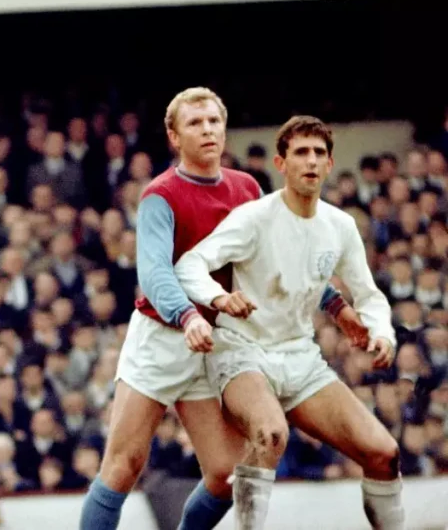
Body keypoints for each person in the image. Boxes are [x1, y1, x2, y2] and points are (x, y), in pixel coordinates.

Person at [78, 88, 367, 530]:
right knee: (123, 465)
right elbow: (155, 274)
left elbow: (281, 257)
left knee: (223, 474)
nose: (208, 129)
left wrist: (336, 305)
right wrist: (188, 315)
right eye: (195, 123)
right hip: (162, 338)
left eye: (213, 121)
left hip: (220, 343)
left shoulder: (246, 187)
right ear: (174, 137)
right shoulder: (161, 194)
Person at [173, 115, 404, 529]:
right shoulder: (255, 217)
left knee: (384, 453)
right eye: (301, 152)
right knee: (270, 434)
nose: (311, 161)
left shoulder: (340, 226)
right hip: (242, 350)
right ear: (281, 164)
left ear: (330, 165)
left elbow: (368, 295)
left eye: (319, 153)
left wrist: (382, 332)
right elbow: (191, 264)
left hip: (300, 358)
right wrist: (219, 298)